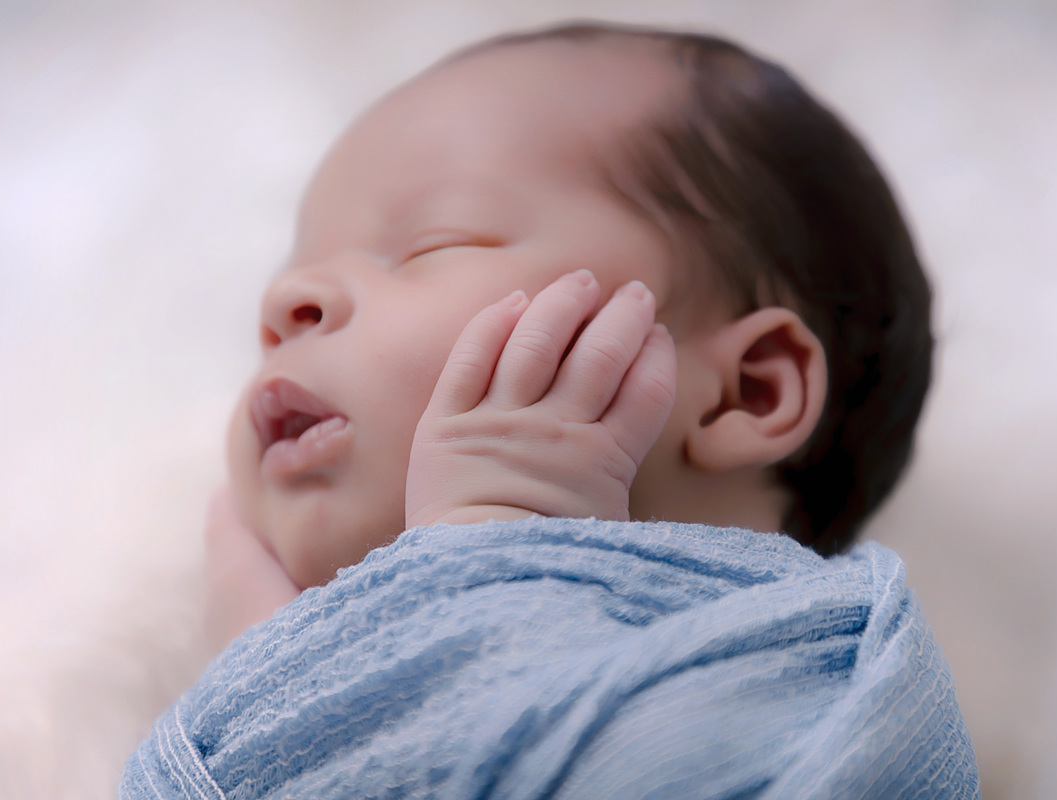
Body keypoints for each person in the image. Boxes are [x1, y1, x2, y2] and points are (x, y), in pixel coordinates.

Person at [123, 22, 980, 798]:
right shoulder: (230, 703)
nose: (286, 297)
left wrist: (489, 561)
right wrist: (272, 683)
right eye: (302, 260)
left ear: (744, 392)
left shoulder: (834, 679)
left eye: (435, 240)